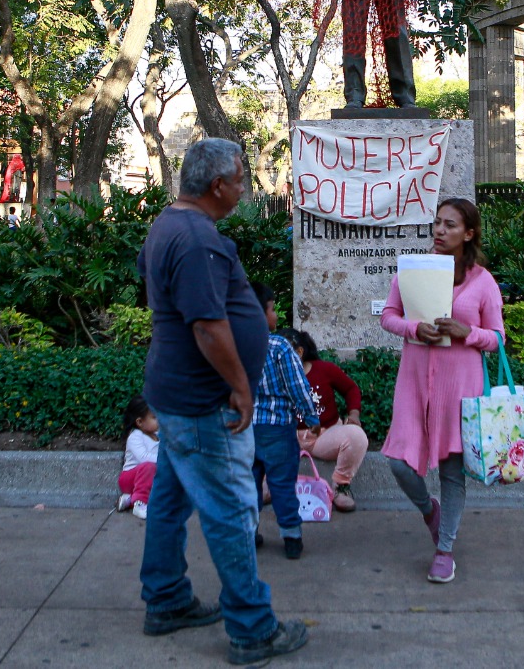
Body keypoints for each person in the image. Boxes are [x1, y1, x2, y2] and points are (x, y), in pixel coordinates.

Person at [135, 138, 308, 665]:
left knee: (169, 500)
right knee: (233, 511)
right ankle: (252, 629)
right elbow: (209, 327)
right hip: (205, 404)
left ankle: (166, 599)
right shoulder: (195, 240)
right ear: (217, 186)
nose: (243, 187)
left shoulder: (171, 223)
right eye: (240, 179)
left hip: (177, 396)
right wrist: (240, 386)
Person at [379, 196, 505, 584]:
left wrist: (470, 333)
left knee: (452, 473)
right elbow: (388, 316)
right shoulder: (412, 271)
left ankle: (445, 549)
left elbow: (498, 338)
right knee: (398, 461)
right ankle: (429, 511)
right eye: (437, 223)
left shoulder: (483, 281)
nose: (439, 230)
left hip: (459, 388)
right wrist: (414, 329)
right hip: (414, 382)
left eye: (450, 225)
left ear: (468, 234)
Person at [249, 281, 321, 560]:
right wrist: (311, 417)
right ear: (260, 313)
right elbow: (297, 386)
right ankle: (291, 537)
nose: (276, 316)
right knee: (281, 484)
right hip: (277, 428)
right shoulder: (278, 346)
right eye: (272, 309)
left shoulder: (234, 346)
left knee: (248, 482)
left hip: (243, 429)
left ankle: (250, 533)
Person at [287, 328, 368, 512]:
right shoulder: (277, 375)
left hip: (325, 435)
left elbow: (350, 389)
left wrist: (353, 414)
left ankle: (340, 487)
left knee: (356, 436)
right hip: (289, 437)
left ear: (299, 352)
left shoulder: (324, 369)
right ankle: (268, 485)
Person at [119, 396, 159, 519]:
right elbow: (144, 458)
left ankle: (130, 499)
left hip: (147, 480)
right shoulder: (135, 436)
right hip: (129, 479)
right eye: (154, 417)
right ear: (140, 422)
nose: (159, 420)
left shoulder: (158, 435)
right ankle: (139, 503)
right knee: (148, 466)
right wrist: (165, 460)